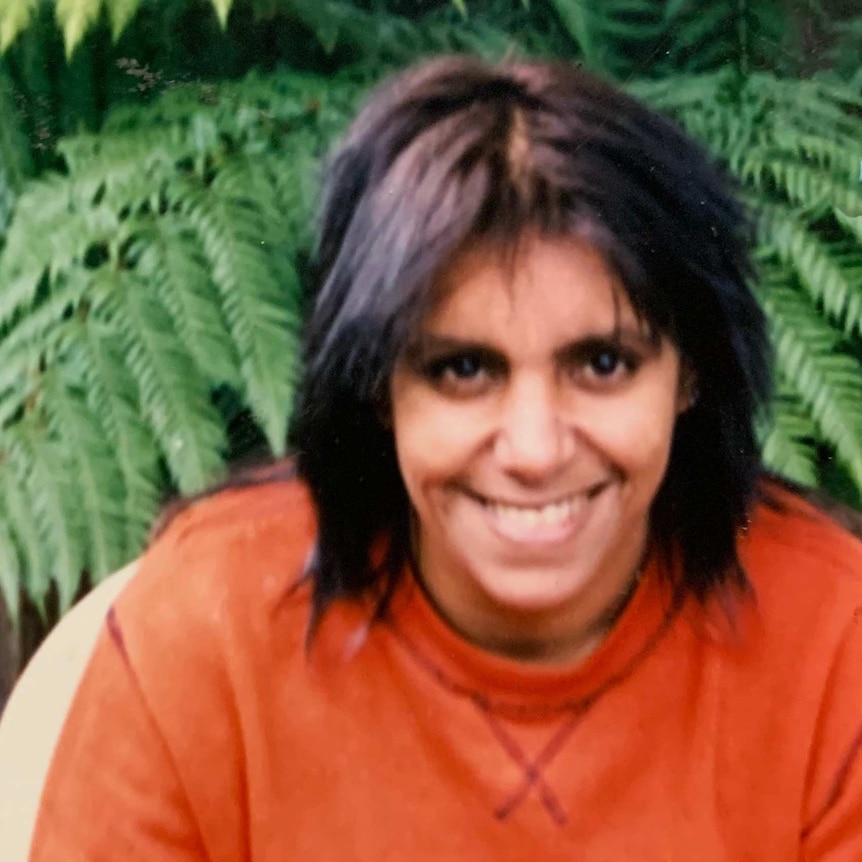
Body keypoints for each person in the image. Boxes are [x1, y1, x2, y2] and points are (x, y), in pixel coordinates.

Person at [28, 55, 862, 860]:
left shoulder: (835, 640)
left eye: (602, 364)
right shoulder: (207, 629)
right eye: (463, 370)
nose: (535, 450)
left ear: (691, 374)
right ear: (377, 387)